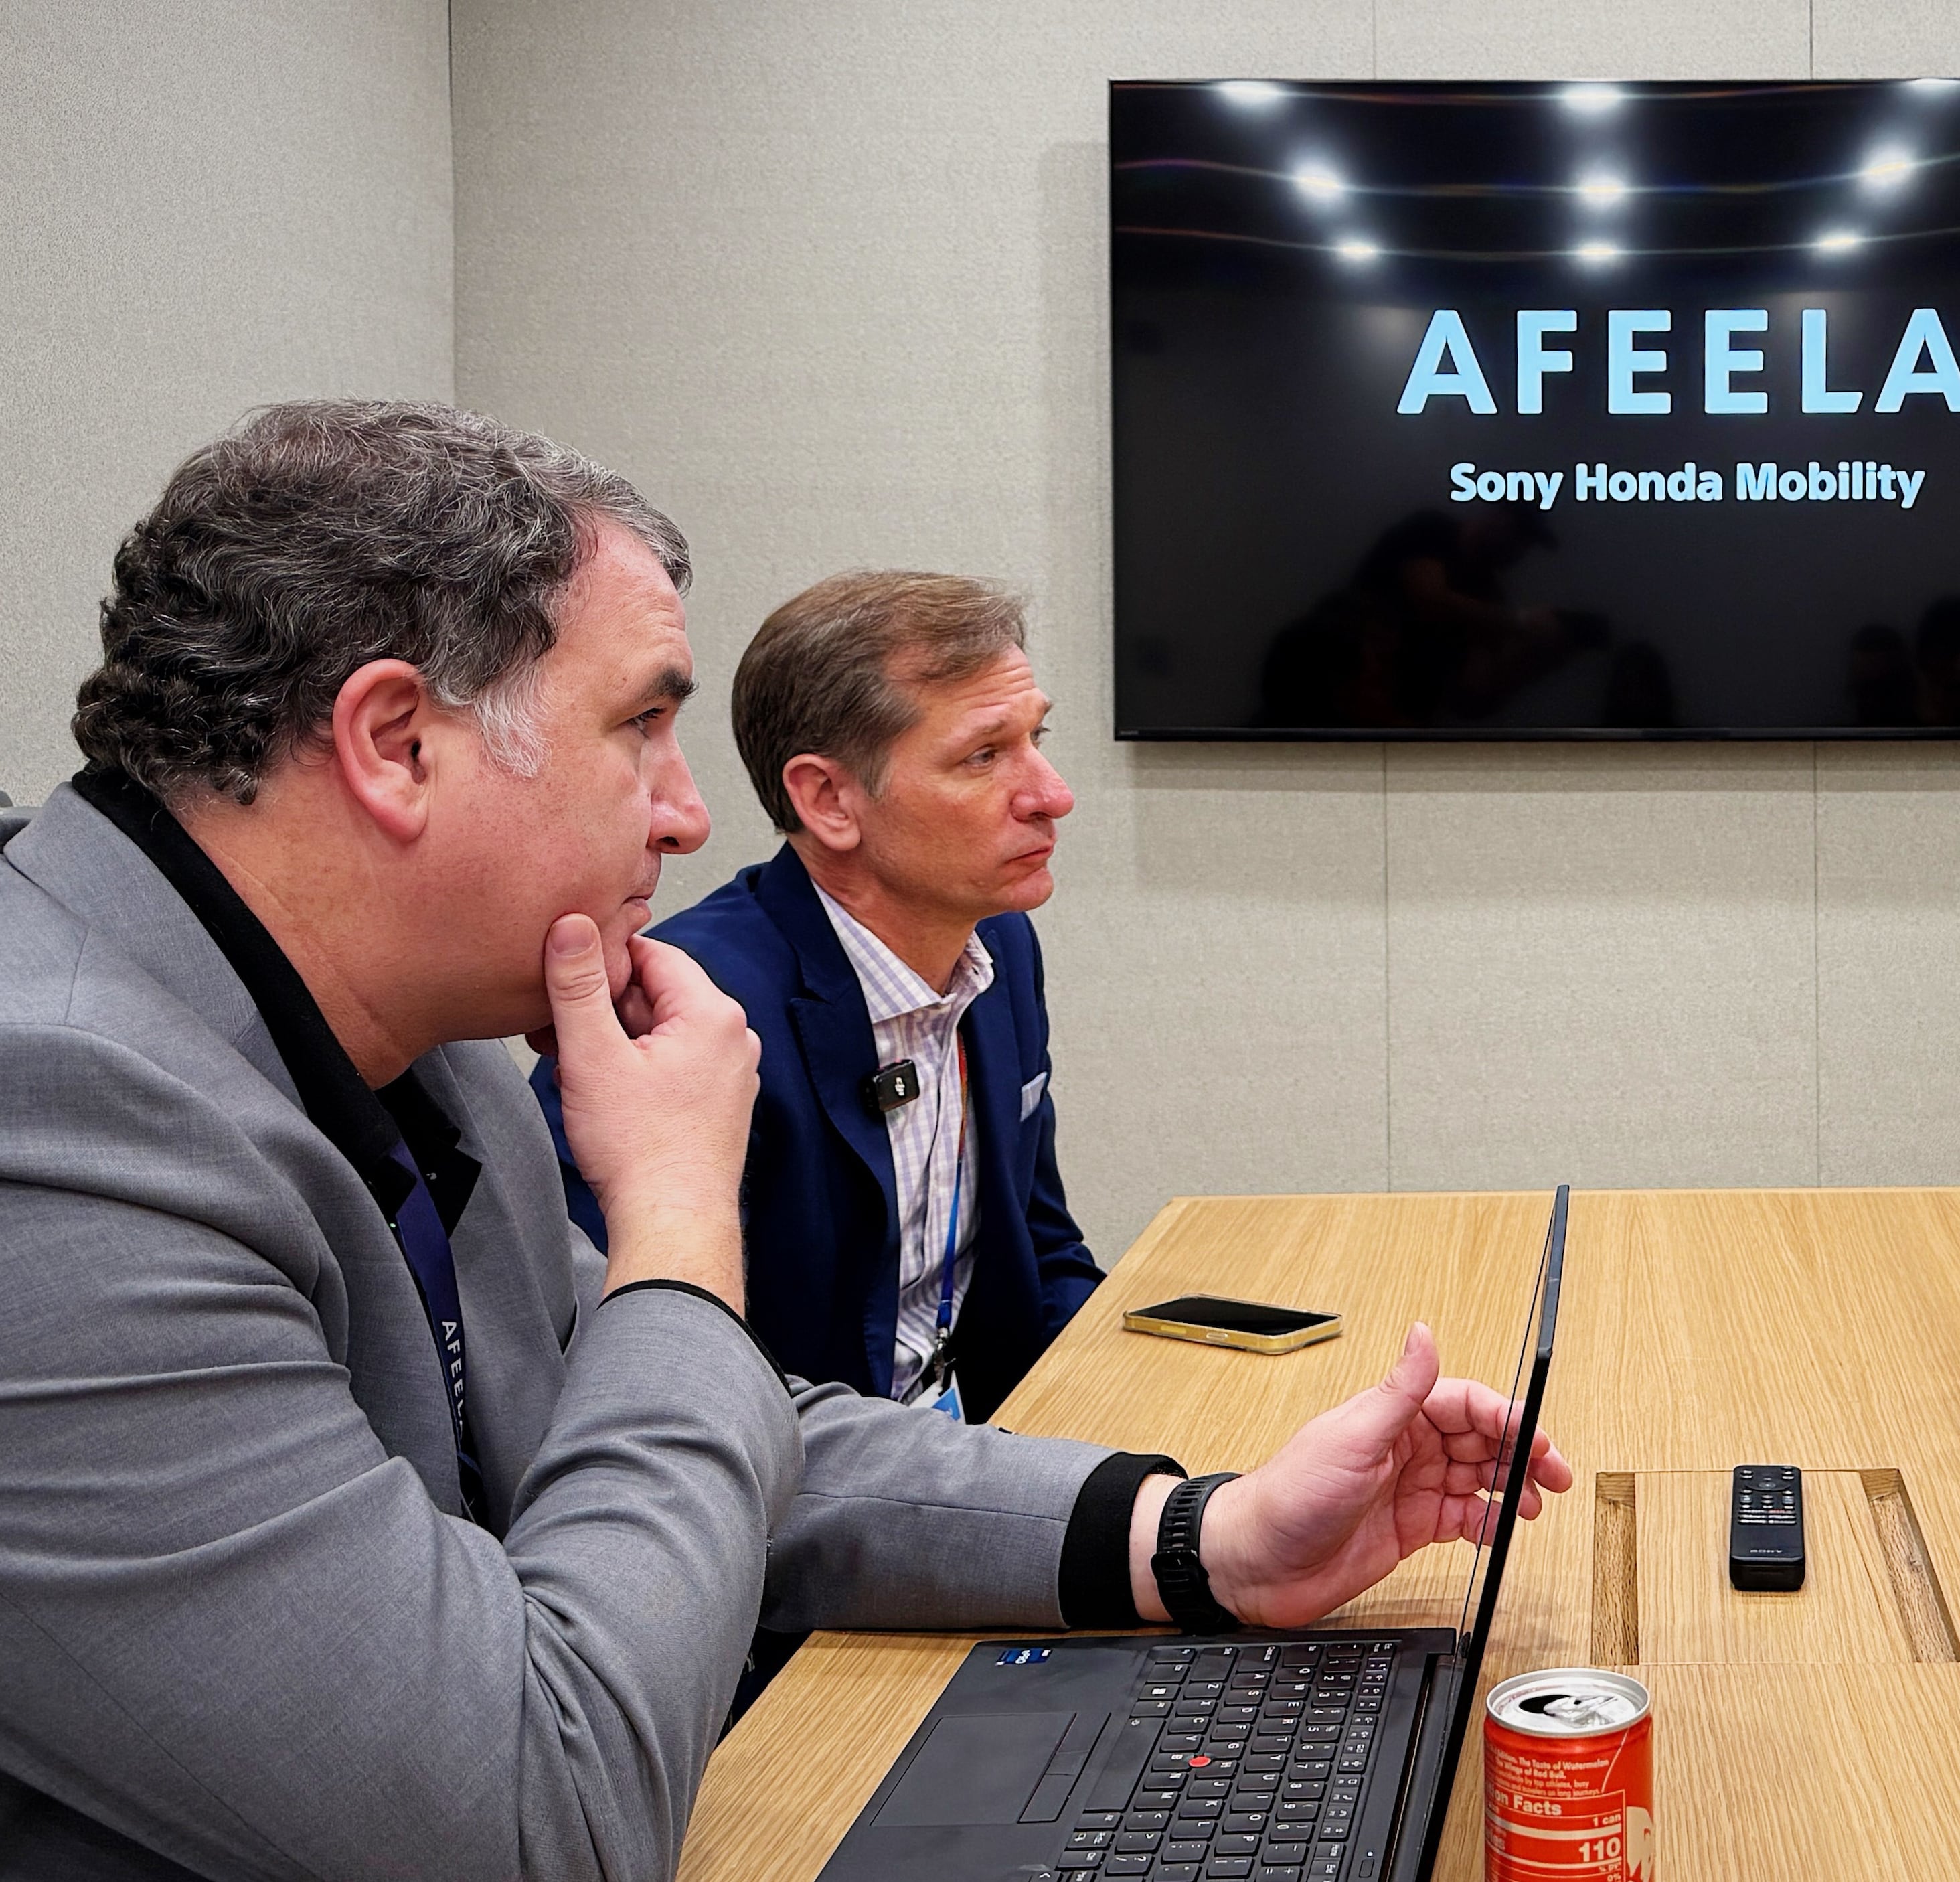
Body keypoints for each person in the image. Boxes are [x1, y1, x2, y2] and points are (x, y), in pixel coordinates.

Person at [0, 400, 1570, 1881]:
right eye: (640, 731)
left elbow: (726, 1430)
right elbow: (534, 1818)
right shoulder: (54, 1127)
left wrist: (1203, 1534)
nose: (688, 817)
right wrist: (677, 1222)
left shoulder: (431, 1053)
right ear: (397, 741)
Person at [534, 570, 1090, 1422]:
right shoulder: (683, 1013)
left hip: (986, 1443)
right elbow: (631, 1373)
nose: (1052, 795)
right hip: (793, 1490)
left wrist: (1127, 1415)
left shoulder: (998, 944)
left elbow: (1041, 1247)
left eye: (1036, 738)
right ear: (828, 799)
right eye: (984, 756)